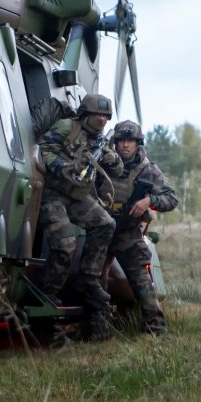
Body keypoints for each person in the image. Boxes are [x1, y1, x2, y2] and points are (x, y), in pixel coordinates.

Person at [37, 92, 124, 341]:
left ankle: (89, 277)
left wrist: (111, 157)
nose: (102, 119)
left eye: (106, 116)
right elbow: (43, 149)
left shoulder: (100, 141)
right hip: (52, 193)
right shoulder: (67, 127)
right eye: (98, 114)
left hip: (77, 196)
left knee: (106, 224)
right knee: (65, 244)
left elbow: (117, 169)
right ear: (86, 113)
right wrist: (63, 168)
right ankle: (49, 294)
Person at [103, 120, 178, 335]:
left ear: (138, 143)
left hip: (128, 231)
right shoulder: (102, 163)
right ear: (115, 143)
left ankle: (155, 328)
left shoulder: (147, 170)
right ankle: (97, 329)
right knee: (92, 280)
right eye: (121, 141)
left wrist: (149, 201)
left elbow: (171, 199)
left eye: (131, 141)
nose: (125, 145)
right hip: (101, 229)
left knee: (142, 281)